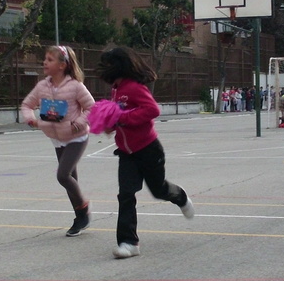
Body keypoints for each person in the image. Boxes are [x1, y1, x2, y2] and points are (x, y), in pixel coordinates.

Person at [96, 46, 194, 259]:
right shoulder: (115, 89)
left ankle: (180, 196)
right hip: (126, 153)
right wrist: (108, 124)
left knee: (159, 191)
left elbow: (152, 110)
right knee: (126, 195)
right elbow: (119, 115)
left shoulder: (134, 87)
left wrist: (123, 119)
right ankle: (129, 242)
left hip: (148, 149)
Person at [21, 45, 95, 237]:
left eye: (50, 59)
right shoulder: (42, 86)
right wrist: (31, 119)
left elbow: (91, 108)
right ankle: (80, 218)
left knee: (63, 176)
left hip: (76, 137)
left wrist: (78, 123)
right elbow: (27, 104)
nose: (45, 62)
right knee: (72, 179)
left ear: (62, 65)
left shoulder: (75, 86)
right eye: (45, 59)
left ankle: (84, 209)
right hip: (56, 138)